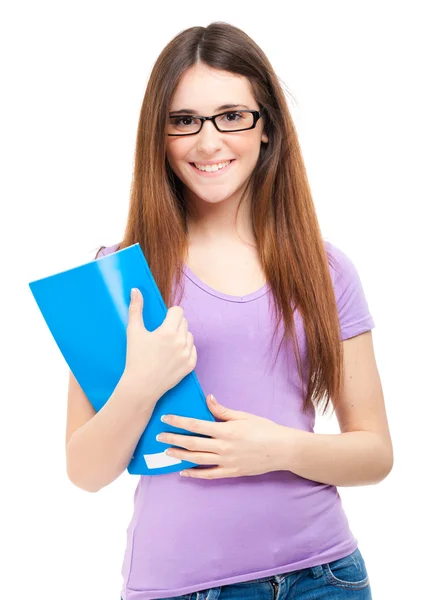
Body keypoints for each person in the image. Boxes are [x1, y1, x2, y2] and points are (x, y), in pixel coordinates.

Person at [65, 21, 393, 600]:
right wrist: (140, 384)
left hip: (326, 577)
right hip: (181, 588)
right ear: (159, 136)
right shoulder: (122, 275)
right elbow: (85, 472)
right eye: (183, 121)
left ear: (266, 127)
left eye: (232, 116)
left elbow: (375, 453)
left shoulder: (326, 268)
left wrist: (280, 448)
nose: (208, 141)